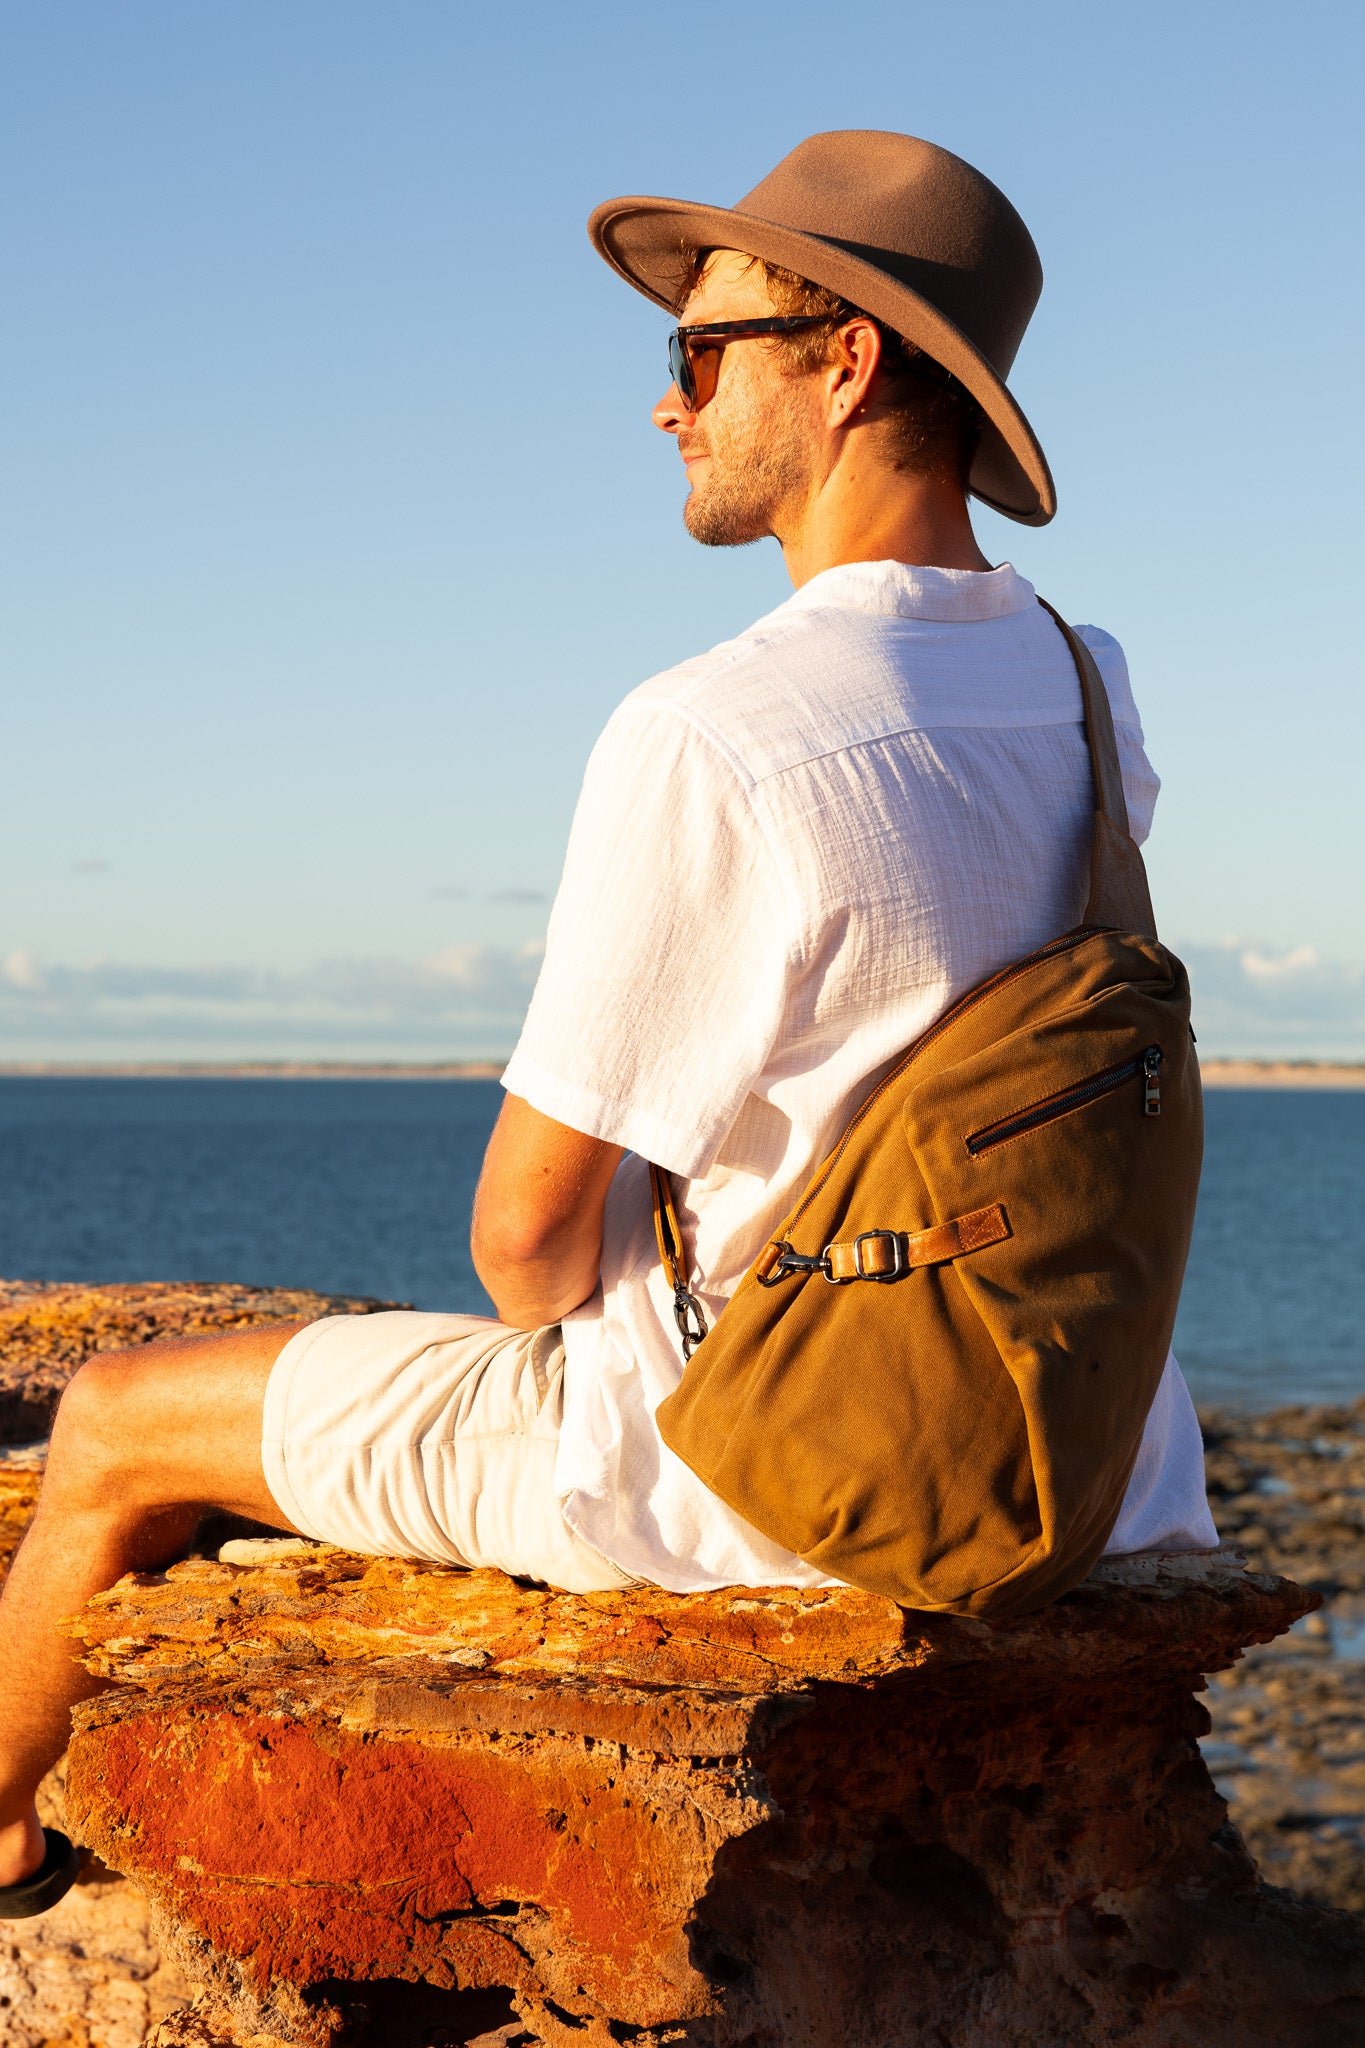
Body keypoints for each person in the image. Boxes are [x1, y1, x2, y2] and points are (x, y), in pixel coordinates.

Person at [0, 130, 1216, 1916]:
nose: (667, 405)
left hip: (747, 1479)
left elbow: (524, 1252)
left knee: (112, 1421)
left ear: (847, 360)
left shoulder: (715, 728)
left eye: (698, 353)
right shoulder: (1079, 680)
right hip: (1081, 1452)